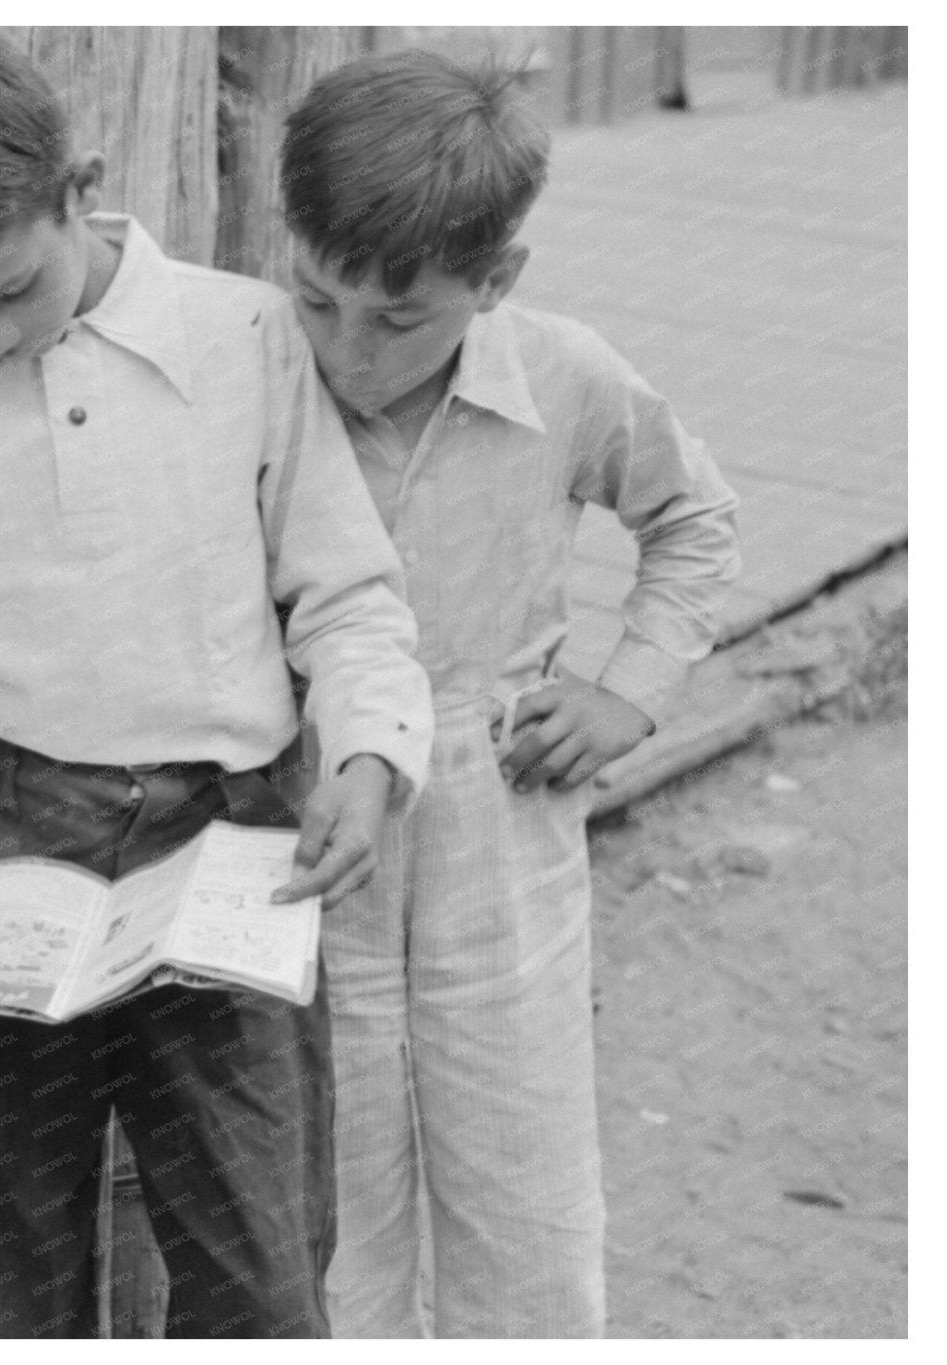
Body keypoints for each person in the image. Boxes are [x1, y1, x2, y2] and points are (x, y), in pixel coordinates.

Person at [0, 32, 436, 1338]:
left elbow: (347, 600)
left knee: (259, 1268)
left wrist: (369, 756)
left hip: (226, 842)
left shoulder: (245, 339)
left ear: (78, 188)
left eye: (11, 289)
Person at [274, 50, 742, 1337]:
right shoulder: (251, 376)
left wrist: (625, 692)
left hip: (497, 814)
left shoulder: (563, 374)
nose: (347, 351)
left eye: (397, 319)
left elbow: (693, 521)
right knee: (328, 1216)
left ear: (495, 280)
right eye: (315, 299)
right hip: (304, 821)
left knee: (521, 1199)